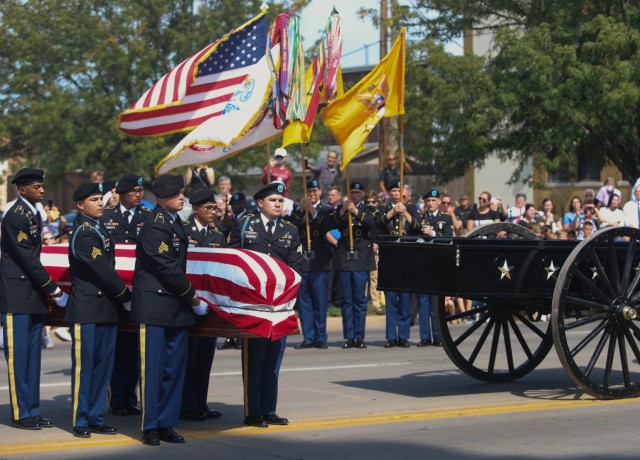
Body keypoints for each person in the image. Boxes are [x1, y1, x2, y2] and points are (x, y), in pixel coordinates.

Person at [131, 174, 208, 445]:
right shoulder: (154, 225)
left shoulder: (174, 222)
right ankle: (150, 425)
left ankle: (166, 422)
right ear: (162, 198)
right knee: (153, 370)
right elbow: (165, 267)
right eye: (177, 194)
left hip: (175, 307)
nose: (182, 197)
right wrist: (193, 298)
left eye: (182, 192)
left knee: (174, 370)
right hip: (156, 306)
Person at [229, 182, 303, 428]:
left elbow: (297, 268)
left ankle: (269, 409)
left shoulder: (290, 230)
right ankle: (253, 411)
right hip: (252, 305)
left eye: (281, 201)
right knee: (254, 360)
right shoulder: (245, 225)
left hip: (279, 306)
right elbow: (233, 260)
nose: (278, 205)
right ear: (260, 203)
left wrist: (290, 302)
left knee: (273, 360)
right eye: (273, 201)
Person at [1, 168, 68, 430]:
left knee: (32, 357)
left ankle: (32, 409)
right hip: (17, 295)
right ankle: (21, 413)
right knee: (19, 358)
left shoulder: (31, 213)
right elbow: (27, 258)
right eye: (37, 186)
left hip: (31, 295)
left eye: (42, 186)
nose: (42, 190)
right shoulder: (16, 216)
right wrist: (54, 289)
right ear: (21, 189)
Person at [65, 182, 132, 438]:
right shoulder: (84, 232)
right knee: (86, 369)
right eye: (94, 199)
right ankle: (81, 419)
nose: (100, 203)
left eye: (99, 198)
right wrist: (125, 296)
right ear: (80, 205)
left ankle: (96, 416)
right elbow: (103, 269)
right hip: (88, 309)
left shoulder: (98, 227)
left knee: (103, 368)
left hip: (105, 309)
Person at [102, 174, 150, 417]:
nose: (139, 194)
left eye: (141, 190)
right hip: (114, 292)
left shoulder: (147, 217)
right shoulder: (107, 217)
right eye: (134, 191)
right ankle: (116, 398)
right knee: (116, 348)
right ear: (121, 193)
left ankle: (130, 398)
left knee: (134, 350)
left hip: (139, 292)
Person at [180, 188, 225, 421]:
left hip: (210, 306)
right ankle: (186, 405)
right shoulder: (183, 231)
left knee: (205, 357)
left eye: (215, 208)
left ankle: (200, 402)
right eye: (208, 208)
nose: (212, 212)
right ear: (195, 209)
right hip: (188, 303)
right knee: (189, 356)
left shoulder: (217, 235)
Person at [289, 179, 336, 350]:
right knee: (304, 303)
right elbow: (290, 227)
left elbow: (326, 225)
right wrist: (302, 210)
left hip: (320, 263)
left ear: (319, 192)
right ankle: (308, 337)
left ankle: (320, 336)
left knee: (320, 302)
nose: (311, 194)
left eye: (314, 191)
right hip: (303, 263)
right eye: (309, 191)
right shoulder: (298, 210)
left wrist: (313, 211)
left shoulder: (326, 209)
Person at [376, 179, 420, 348]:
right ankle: (391, 337)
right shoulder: (384, 208)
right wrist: (393, 213)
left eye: (397, 191)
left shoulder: (411, 208)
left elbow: (417, 227)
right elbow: (377, 224)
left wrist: (405, 213)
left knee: (405, 301)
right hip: (389, 258)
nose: (395, 194)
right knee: (391, 300)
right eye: (392, 191)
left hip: (406, 258)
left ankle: (403, 336)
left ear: (403, 192)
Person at [334, 182, 376, 349]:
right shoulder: (342, 209)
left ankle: (359, 336)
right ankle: (349, 336)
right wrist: (344, 210)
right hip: (345, 258)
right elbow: (333, 222)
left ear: (363, 194)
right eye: (352, 192)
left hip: (361, 259)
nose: (355, 195)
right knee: (347, 300)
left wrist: (356, 211)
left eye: (358, 192)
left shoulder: (366, 209)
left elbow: (371, 223)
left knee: (359, 300)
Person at [417, 189, 454, 346]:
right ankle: (425, 337)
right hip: (423, 262)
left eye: (433, 200)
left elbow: (448, 238)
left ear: (439, 201)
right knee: (423, 302)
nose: (430, 203)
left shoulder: (445, 218)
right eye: (428, 201)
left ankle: (438, 336)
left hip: (438, 262)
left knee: (436, 303)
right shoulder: (420, 218)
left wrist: (433, 233)